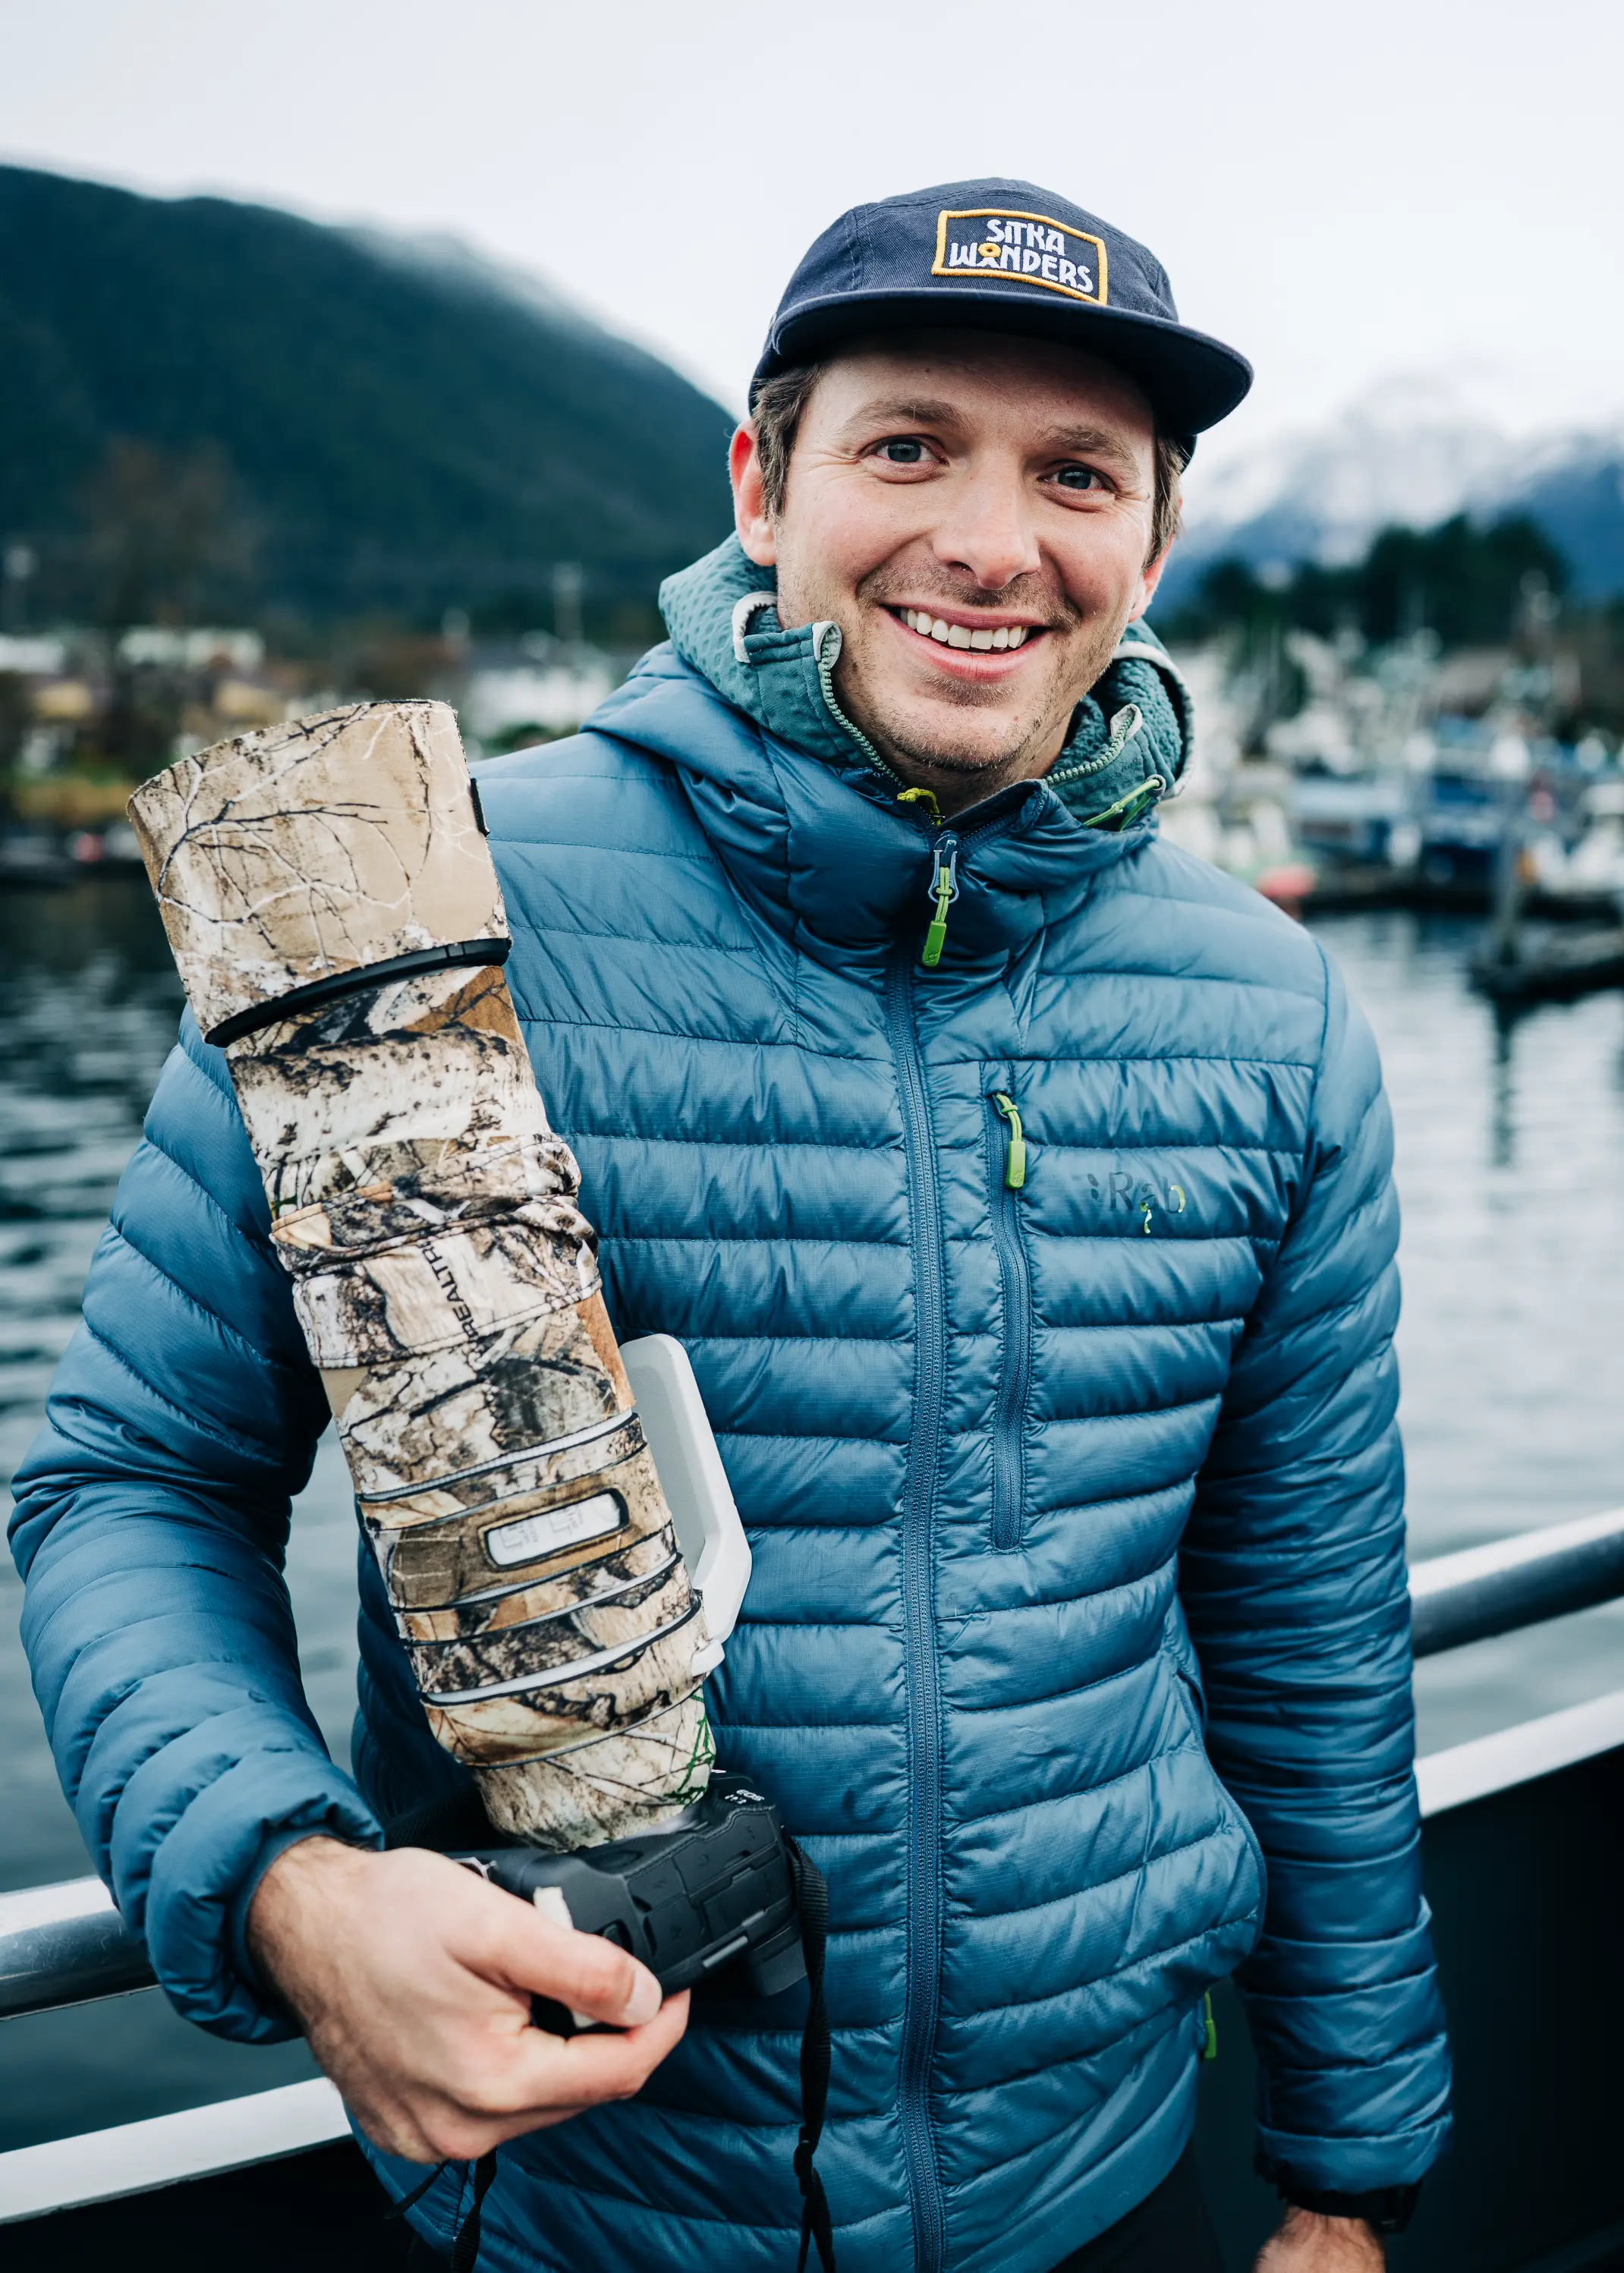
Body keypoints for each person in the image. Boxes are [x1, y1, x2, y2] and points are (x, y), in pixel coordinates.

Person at [11, 179, 1451, 2273]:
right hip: (589, 2207)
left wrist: (1344, 2177)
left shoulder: (1267, 1013)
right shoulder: (416, 912)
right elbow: (133, 1482)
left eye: (1075, 474)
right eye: (904, 446)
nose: (988, 537)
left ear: (1149, 547)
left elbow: (1309, 1645)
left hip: (1105, 2186)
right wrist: (288, 1895)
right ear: (760, 486)